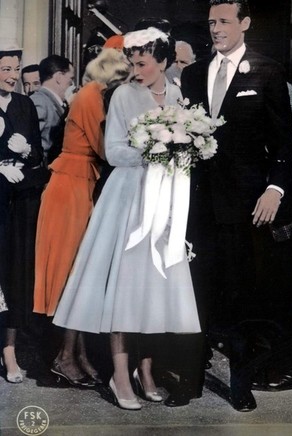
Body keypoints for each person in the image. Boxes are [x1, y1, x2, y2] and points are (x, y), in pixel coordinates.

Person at [53, 27, 201, 410]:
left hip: (166, 196)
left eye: (143, 64)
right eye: (132, 63)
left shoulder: (178, 95)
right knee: (125, 290)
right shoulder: (122, 95)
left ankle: (145, 371)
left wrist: (180, 152)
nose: (136, 71)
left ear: (163, 62)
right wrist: (156, 150)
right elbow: (114, 152)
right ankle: (120, 376)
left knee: (153, 291)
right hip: (129, 198)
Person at [180, 0, 292, 411]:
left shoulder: (267, 71)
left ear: (244, 23)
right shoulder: (192, 74)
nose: (216, 29)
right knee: (197, 290)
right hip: (198, 203)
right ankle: (190, 378)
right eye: (212, 22)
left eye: (225, 21)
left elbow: (284, 142)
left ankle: (240, 383)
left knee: (241, 295)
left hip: (246, 204)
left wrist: (275, 189)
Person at [33, 48, 131, 387]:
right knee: (71, 273)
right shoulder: (91, 96)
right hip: (70, 187)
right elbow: (105, 149)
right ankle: (64, 357)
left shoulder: (93, 95)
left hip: (80, 183)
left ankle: (78, 354)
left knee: (80, 271)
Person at [0, 43, 45, 384]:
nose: (13, 76)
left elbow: (38, 157)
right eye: (6, 69)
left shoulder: (24, 104)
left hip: (17, 205)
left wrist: (27, 150)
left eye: (16, 69)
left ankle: (10, 353)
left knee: (14, 277)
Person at [30, 55, 75, 165]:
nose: (72, 84)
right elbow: (31, 144)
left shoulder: (51, 102)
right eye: (71, 79)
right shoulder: (39, 101)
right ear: (59, 77)